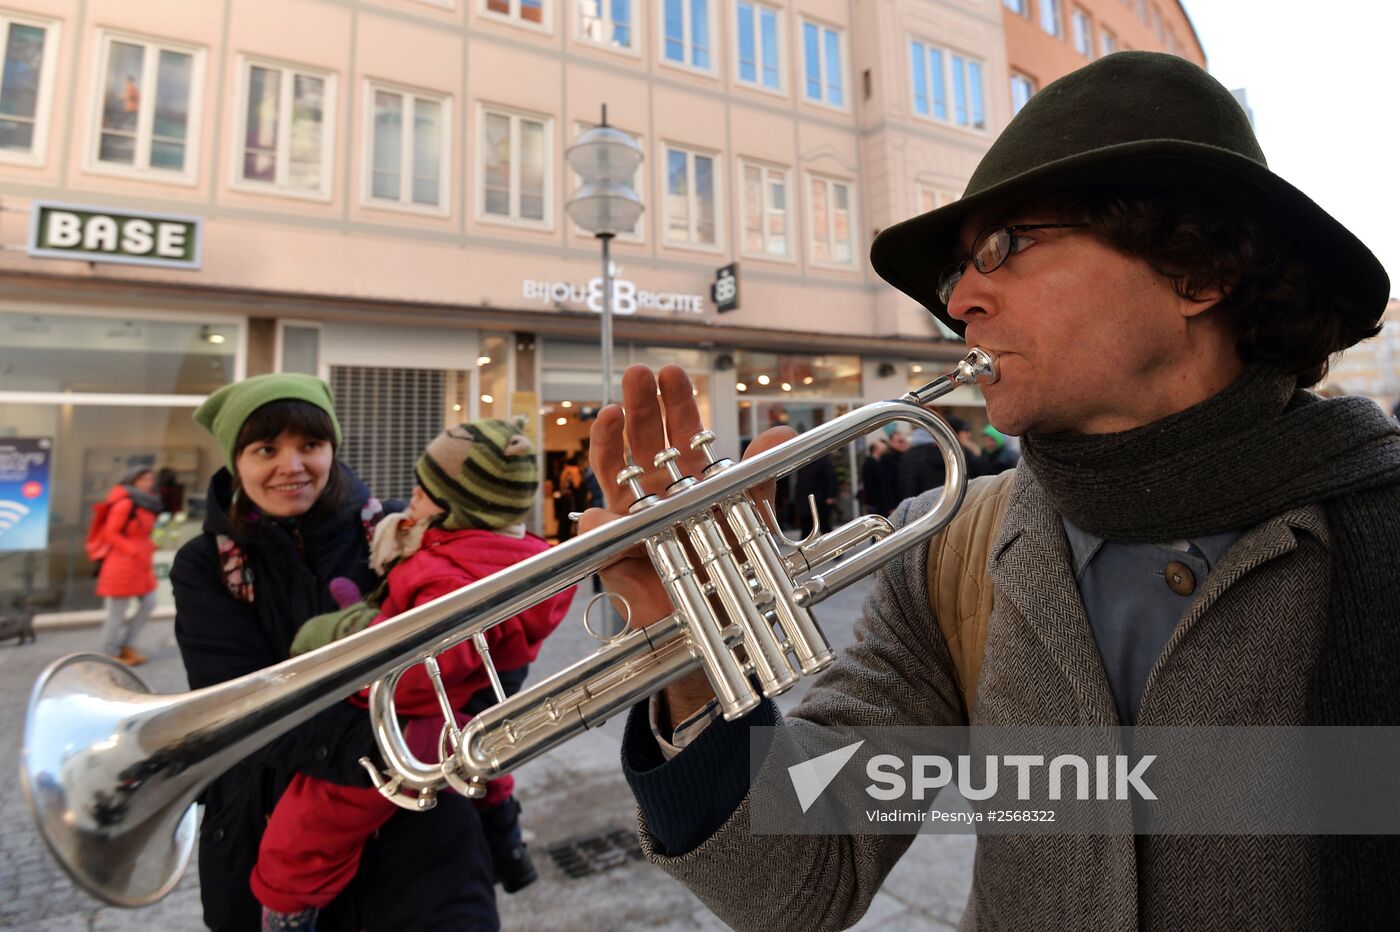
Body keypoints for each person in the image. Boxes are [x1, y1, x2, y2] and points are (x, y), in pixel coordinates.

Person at [581, 52, 1399, 929]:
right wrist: (692, 665)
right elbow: (795, 884)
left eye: (1007, 246)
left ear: (1198, 270)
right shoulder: (949, 549)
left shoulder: (1377, 528)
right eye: (956, 273)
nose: (962, 300)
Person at [170, 373, 498, 932]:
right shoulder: (205, 565)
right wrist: (399, 751)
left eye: (310, 445)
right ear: (236, 459)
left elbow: (484, 665)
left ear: (332, 449)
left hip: (421, 841)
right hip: (269, 828)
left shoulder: (400, 531)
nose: (291, 466)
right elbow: (242, 706)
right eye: (266, 449)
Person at [251, 419, 573, 931]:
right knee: (487, 773)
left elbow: (415, 678)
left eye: (422, 494)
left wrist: (354, 653)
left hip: (416, 725)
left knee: (310, 821)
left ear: (457, 511)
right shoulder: (507, 554)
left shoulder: (446, 576)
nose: (410, 502)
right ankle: (508, 847)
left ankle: (287, 910)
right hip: (464, 718)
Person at [95, 465, 160, 665]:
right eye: (144, 479)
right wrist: (132, 550)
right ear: (133, 480)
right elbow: (110, 533)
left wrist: (146, 547)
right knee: (117, 611)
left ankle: (127, 645)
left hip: (139, 564)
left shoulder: (144, 503)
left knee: (149, 603)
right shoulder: (125, 504)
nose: (148, 483)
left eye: (150, 479)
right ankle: (110, 652)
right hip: (122, 564)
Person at [858, 437, 888, 516]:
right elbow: (869, 483)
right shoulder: (870, 462)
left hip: (880, 500)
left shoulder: (879, 461)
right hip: (875, 500)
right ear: (876, 449)